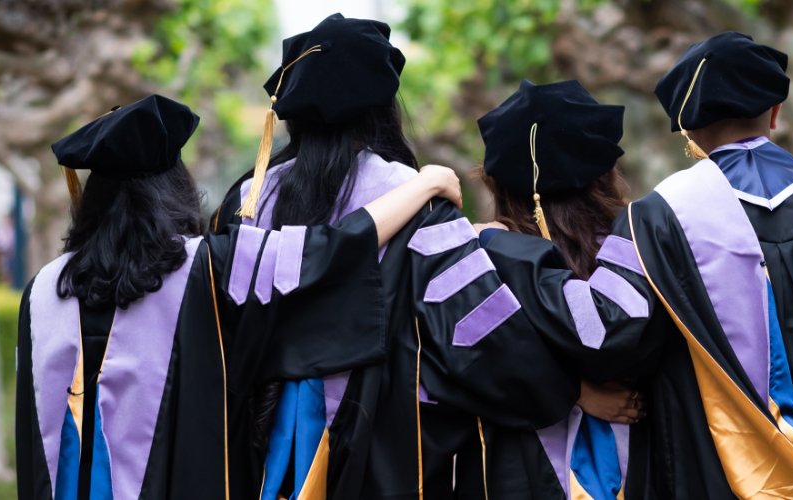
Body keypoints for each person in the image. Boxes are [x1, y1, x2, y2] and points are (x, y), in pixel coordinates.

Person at [474, 32, 793, 498]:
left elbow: (604, 330)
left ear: (690, 130)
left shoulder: (662, 216)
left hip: (722, 480)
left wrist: (508, 251)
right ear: (775, 113)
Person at [14, 94, 462, 499]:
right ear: (174, 191)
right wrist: (423, 186)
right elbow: (329, 249)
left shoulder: (41, 293)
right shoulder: (210, 267)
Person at [213, 13, 574, 499]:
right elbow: (477, 332)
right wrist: (565, 390)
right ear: (381, 108)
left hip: (256, 442)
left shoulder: (249, 199)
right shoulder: (413, 197)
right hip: (379, 448)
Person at [415, 80, 651, 499]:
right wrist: (578, 393)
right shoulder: (637, 246)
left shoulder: (480, 258)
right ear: (604, 170)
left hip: (513, 470)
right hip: (638, 459)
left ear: (498, 182)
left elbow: (464, 363)